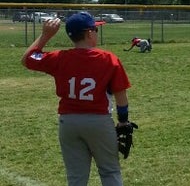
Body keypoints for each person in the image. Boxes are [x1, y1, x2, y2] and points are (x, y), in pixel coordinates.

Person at [21, 12, 132, 186]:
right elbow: (120, 94)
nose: (97, 32)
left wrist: (45, 35)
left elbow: (28, 59)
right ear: (89, 33)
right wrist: (123, 121)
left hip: (69, 123)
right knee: (109, 171)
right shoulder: (108, 59)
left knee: (76, 177)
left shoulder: (59, 57)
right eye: (96, 29)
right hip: (99, 122)